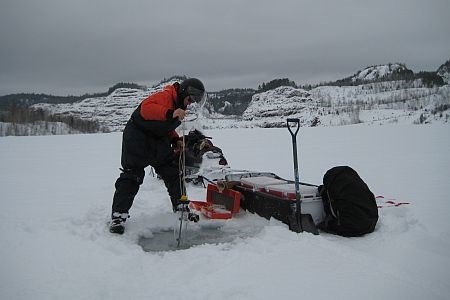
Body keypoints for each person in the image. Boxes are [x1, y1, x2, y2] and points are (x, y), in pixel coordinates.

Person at [109, 78, 206, 234]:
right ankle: (118, 217)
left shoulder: (178, 105)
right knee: (132, 177)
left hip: (158, 141)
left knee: (173, 172)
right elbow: (146, 110)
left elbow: (164, 127)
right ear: (184, 92)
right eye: (190, 99)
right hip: (137, 140)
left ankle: (181, 207)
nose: (189, 103)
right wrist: (171, 112)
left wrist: (175, 139)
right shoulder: (165, 96)